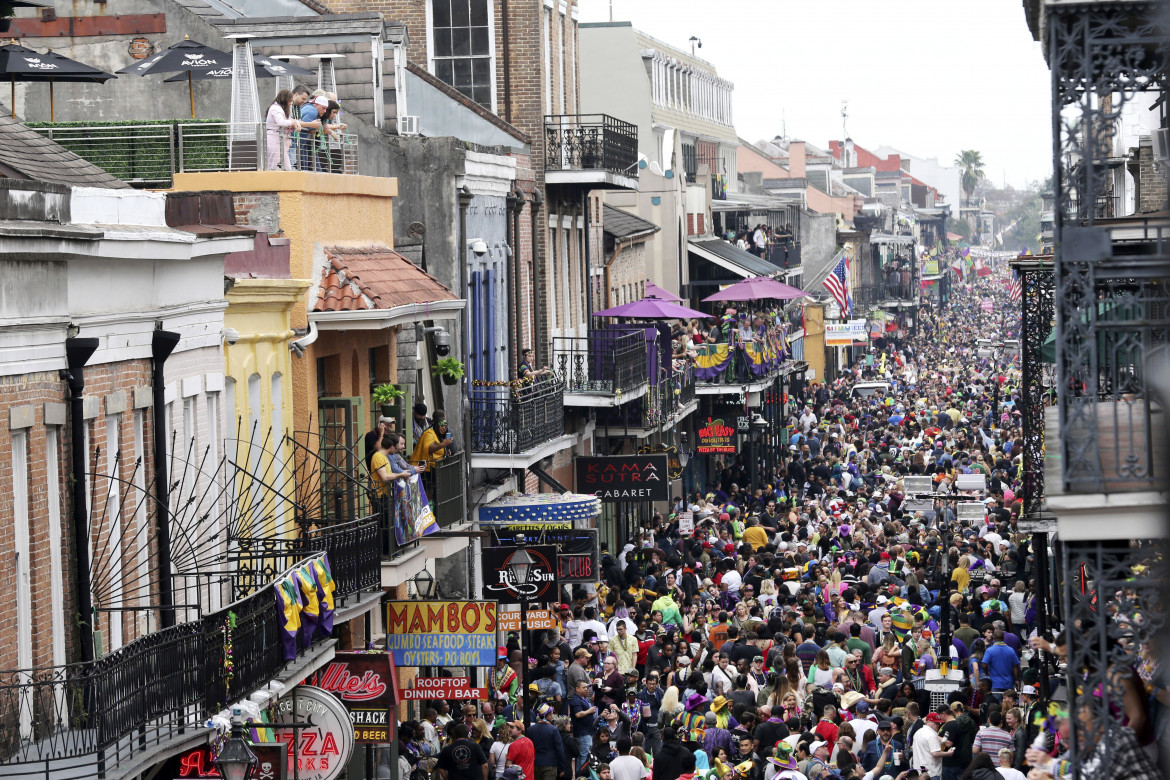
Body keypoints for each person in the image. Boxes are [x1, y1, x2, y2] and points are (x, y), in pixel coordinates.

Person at [265, 88, 301, 170]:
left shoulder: (280, 109)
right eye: (289, 101)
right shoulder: (275, 108)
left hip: (280, 137)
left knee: (286, 165)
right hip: (274, 137)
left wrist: (295, 123)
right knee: (274, 163)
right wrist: (293, 123)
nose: (291, 103)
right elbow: (281, 122)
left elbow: (288, 120)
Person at [529, 703, 567, 780]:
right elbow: (560, 750)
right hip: (550, 764)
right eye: (551, 714)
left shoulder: (531, 729)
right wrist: (562, 767)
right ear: (548, 715)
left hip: (535, 763)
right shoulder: (553, 730)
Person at [569, 678, 598, 771]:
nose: (586, 689)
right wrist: (589, 711)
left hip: (587, 731)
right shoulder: (575, 699)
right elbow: (578, 714)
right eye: (584, 687)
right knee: (584, 755)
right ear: (577, 689)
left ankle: (579, 774)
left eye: (587, 687)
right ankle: (582, 775)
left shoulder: (584, 699)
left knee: (583, 755)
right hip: (582, 733)